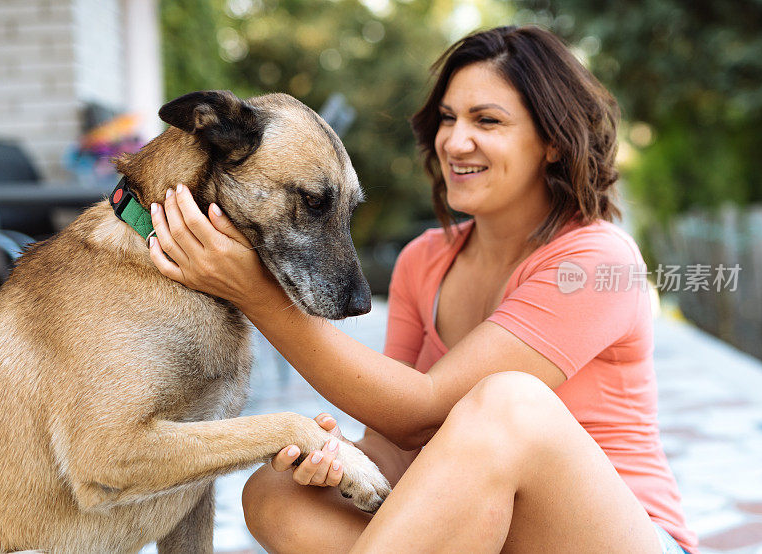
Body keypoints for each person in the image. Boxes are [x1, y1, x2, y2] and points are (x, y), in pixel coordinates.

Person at [148, 25, 698, 554]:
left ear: (552, 141)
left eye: (487, 120)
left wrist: (256, 293)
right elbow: (395, 442)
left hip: (623, 538)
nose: (456, 142)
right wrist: (338, 465)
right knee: (277, 494)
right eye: (447, 118)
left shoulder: (597, 260)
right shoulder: (424, 260)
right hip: (486, 534)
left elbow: (426, 413)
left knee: (509, 402)